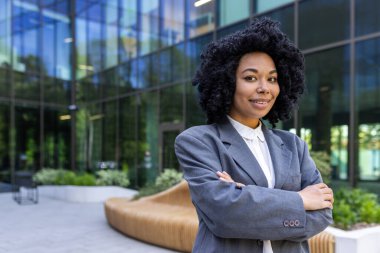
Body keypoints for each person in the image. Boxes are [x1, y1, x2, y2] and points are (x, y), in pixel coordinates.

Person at [174, 17, 334, 253]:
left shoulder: (294, 145)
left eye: (272, 79)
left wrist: (245, 195)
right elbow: (224, 215)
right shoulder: (197, 141)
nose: (264, 88)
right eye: (250, 78)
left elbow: (322, 214)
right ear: (227, 82)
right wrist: (300, 200)